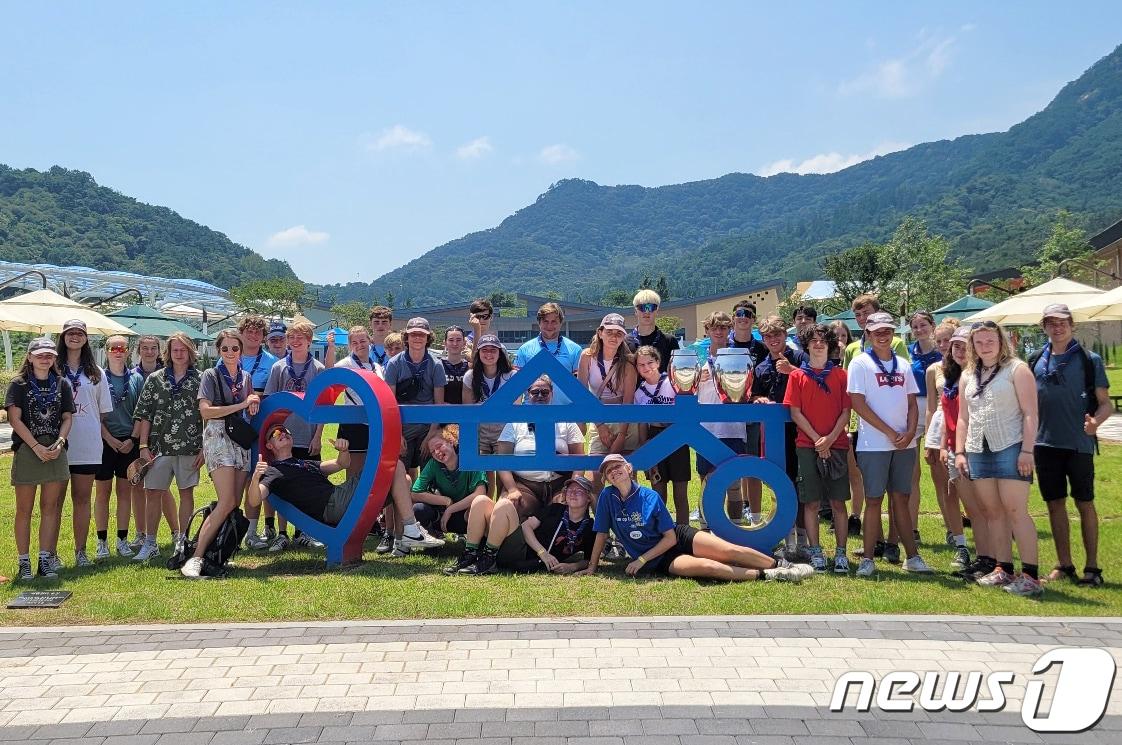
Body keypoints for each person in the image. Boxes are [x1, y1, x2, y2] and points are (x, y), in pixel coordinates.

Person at [578, 455, 813, 581]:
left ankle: (782, 565)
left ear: (629, 468)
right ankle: (768, 575)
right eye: (609, 471)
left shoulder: (649, 496)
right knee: (708, 567)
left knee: (730, 551)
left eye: (617, 466)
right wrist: (592, 566)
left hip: (676, 537)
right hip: (658, 558)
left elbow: (669, 538)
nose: (614, 471)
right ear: (607, 479)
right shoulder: (608, 498)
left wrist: (639, 561)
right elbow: (601, 533)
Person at [247, 424, 443, 556]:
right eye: (276, 434)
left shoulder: (302, 463)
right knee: (395, 466)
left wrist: (343, 450)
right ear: (269, 445)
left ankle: (402, 541)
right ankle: (410, 528)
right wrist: (256, 477)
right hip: (333, 504)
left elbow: (341, 464)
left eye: (286, 431)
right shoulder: (273, 471)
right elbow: (255, 500)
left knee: (405, 479)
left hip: (339, 497)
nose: (283, 434)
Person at [955, 321, 1041, 597]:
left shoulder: (1017, 369)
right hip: (978, 447)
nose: (985, 346)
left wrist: (1027, 450)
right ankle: (1003, 567)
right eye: (979, 342)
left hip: (1010, 444)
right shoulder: (968, 375)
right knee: (992, 512)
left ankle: (1030, 574)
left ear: (1001, 341)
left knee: (1016, 510)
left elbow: (1030, 413)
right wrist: (960, 451)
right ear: (972, 345)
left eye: (990, 341)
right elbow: (962, 417)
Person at [1031, 303, 1111, 587]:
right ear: (1043, 327)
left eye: (1063, 322)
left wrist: (1095, 423)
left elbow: (1105, 404)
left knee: (1085, 503)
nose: (1057, 327)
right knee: (1054, 504)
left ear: (1072, 325)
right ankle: (1064, 564)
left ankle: (1093, 567)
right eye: (1051, 322)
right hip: (1044, 443)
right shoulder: (1036, 358)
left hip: (1079, 444)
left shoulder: (1090, 360)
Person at [847, 312, 932, 577]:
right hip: (873, 444)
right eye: (877, 332)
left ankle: (913, 557)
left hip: (904, 443)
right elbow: (858, 404)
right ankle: (868, 558)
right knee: (873, 500)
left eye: (887, 331)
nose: (883, 335)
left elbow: (912, 403)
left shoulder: (904, 365)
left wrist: (909, 434)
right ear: (869, 335)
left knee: (901, 499)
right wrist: (889, 432)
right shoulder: (860, 364)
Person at [182, 330, 260, 578]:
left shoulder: (246, 377)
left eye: (234, 349)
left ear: (241, 351)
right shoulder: (211, 375)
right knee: (226, 501)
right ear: (219, 351)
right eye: (225, 349)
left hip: (239, 438)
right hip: (218, 437)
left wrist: (254, 400)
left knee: (233, 503)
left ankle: (217, 554)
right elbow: (205, 412)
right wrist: (242, 404)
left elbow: (249, 406)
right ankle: (195, 557)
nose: (230, 353)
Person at [843, 295, 911, 559]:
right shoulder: (852, 349)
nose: (863, 319)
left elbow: (905, 384)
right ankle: (877, 540)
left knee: (896, 491)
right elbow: (851, 392)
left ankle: (894, 543)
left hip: (896, 428)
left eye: (868, 314)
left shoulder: (897, 343)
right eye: (859, 316)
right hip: (863, 426)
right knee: (873, 487)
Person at [783, 323, 851, 573]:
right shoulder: (797, 376)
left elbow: (846, 411)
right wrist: (817, 440)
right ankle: (816, 551)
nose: (819, 344)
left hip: (838, 444)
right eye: (813, 341)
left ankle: (841, 553)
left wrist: (830, 439)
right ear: (807, 345)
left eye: (823, 340)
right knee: (810, 502)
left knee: (838, 502)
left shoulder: (841, 375)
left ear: (830, 344)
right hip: (806, 445)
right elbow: (795, 412)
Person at [133, 332, 204, 562]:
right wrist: (143, 446)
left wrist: (205, 448)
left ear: (190, 352)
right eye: (175, 350)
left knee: (186, 494)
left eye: (183, 350)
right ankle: (150, 542)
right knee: (152, 493)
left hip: (190, 446)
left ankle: (182, 540)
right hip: (159, 447)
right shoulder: (155, 379)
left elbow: (208, 417)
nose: (179, 354)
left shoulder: (201, 379)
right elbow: (145, 414)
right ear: (169, 353)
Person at [7, 338, 74, 580]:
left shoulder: (61, 383)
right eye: (40, 355)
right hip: (28, 448)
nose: (45, 359)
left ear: (55, 358)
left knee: (50, 507)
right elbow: (15, 419)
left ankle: (44, 560)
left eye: (49, 355)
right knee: (24, 509)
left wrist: (60, 442)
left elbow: (68, 417)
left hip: (55, 448)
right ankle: (24, 561)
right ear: (30, 357)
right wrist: (35, 446)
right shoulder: (19, 384)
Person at [445, 474, 597, 576]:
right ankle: (470, 555)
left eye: (579, 491)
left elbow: (588, 559)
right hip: (522, 544)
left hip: (523, 555)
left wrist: (572, 567)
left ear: (589, 498)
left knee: (504, 505)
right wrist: (543, 553)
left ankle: (488, 559)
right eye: (570, 490)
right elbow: (526, 527)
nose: (572, 493)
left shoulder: (590, 526)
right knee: (481, 501)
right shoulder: (556, 509)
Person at [263, 320, 327, 552]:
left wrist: (318, 436)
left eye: (301, 337)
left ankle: (304, 532)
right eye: (292, 337)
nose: (296, 341)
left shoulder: (318, 369)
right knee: (282, 484)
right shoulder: (279, 367)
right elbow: (270, 402)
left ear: (309, 341)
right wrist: (273, 435)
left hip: (308, 437)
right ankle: (281, 533)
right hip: (283, 437)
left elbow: (323, 406)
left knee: (308, 485)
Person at [56, 319, 113, 569]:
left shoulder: (96, 372)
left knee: (82, 499)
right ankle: (50, 553)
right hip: (57, 443)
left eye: (80, 333)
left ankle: (81, 551)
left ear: (86, 338)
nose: (75, 337)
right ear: (63, 336)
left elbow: (102, 412)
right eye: (70, 333)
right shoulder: (53, 367)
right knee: (53, 501)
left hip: (88, 443)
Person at [495, 375, 585, 520]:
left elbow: (579, 459)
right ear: (528, 394)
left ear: (552, 394)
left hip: (559, 483)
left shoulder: (566, 421)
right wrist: (512, 489)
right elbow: (502, 461)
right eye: (535, 392)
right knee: (512, 505)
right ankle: (515, 542)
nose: (540, 396)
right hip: (526, 484)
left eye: (544, 392)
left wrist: (573, 486)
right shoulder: (516, 422)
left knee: (570, 507)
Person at [750, 314, 805, 551]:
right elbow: (751, 395)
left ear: (785, 335)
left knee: (797, 483)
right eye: (768, 336)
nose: (773, 339)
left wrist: (792, 370)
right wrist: (757, 399)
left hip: (799, 431)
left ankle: (801, 537)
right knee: (776, 483)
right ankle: (783, 533)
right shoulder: (761, 366)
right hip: (771, 435)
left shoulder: (800, 357)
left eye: (777, 334)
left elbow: (813, 383)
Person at [94, 335, 143, 560]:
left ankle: (122, 540)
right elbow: (96, 414)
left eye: (122, 347)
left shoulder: (136, 378)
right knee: (102, 492)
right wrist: (110, 439)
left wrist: (132, 440)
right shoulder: (98, 378)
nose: (118, 351)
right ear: (107, 351)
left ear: (128, 351)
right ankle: (101, 541)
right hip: (104, 441)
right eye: (113, 347)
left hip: (128, 442)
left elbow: (141, 414)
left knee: (125, 493)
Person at [695, 311, 746, 528]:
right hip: (706, 429)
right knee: (707, 480)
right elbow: (686, 394)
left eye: (723, 328)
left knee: (734, 481)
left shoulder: (740, 358)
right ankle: (707, 527)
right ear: (707, 331)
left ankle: (735, 526)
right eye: (714, 328)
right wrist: (696, 380)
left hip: (733, 428)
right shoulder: (697, 361)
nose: (718, 332)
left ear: (729, 330)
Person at [939, 327, 982, 575]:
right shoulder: (951, 376)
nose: (960, 351)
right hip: (955, 446)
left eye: (965, 346)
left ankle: (985, 554)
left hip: (974, 448)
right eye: (956, 346)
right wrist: (944, 444)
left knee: (976, 505)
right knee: (952, 493)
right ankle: (962, 546)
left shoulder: (979, 376)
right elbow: (946, 414)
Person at [578, 313, 638, 489]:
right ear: (600, 332)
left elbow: (628, 401)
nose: (614, 337)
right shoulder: (587, 357)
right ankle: (601, 515)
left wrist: (621, 435)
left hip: (624, 421)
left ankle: (630, 513)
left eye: (619, 333)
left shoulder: (628, 362)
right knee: (596, 475)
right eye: (609, 331)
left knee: (628, 475)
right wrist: (600, 425)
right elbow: (582, 395)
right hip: (598, 416)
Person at [634, 345, 691, 525]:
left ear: (658, 362)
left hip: (677, 437)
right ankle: (660, 531)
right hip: (654, 437)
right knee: (658, 489)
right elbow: (642, 423)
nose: (646, 367)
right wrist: (645, 447)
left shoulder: (673, 383)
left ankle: (683, 531)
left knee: (680, 491)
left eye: (650, 362)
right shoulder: (639, 393)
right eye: (641, 364)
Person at [383, 317, 447, 475]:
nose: (417, 338)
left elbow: (438, 404)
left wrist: (431, 434)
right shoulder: (394, 364)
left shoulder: (436, 364)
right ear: (406, 337)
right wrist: (396, 434)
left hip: (427, 427)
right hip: (402, 426)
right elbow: (390, 403)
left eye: (422, 334)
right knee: (399, 473)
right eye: (413, 334)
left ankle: (427, 499)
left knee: (429, 473)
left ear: (428, 338)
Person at [924, 321, 962, 555]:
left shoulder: (969, 367)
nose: (942, 345)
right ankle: (951, 528)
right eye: (938, 341)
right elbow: (930, 407)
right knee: (943, 485)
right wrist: (930, 439)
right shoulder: (933, 370)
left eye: (946, 340)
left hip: (960, 424)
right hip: (939, 425)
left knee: (963, 485)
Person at [410, 425, 488, 539]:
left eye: (439, 446)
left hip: (466, 516)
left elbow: (480, 493)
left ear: (451, 442)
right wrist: (445, 501)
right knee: (418, 509)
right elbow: (415, 493)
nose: (437, 452)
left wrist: (451, 509)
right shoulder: (433, 464)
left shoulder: (470, 461)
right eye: (432, 451)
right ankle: (433, 539)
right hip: (442, 515)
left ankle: (474, 546)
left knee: (479, 508)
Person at [462, 334, 514, 497]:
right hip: (480, 428)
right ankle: (486, 507)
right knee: (484, 472)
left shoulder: (510, 376)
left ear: (500, 353)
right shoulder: (470, 376)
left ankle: (501, 508)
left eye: (493, 350)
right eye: (485, 350)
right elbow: (467, 408)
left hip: (504, 427)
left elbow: (516, 407)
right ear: (478, 353)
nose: (489, 354)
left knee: (504, 469)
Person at [907, 311, 942, 543]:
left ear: (932, 325)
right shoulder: (908, 353)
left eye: (923, 325)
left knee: (939, 472)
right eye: (915, 326)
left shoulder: (942, 352)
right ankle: (912, 529)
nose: (920, 330)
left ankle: (952, 528)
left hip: (937, 410)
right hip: (912, 410)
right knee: (912, 475)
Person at [514, 302, 582, 405]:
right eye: (545, 321)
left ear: (561, 323)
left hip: (565, 413)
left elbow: (579, 388)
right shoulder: (524, 350)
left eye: (554, 321)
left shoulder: (575, 349)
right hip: (533, 414)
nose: (549, 325)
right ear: (539, 323)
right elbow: (517, 388)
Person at [623, 290, 679, 373]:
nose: (647, 312)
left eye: (651, 307)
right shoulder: (625, 341)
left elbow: (677, 371)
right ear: (635, 311)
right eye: (642, 307)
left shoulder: (670, 341)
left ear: (657, 310)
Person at [441, 326, 470, 404]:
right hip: (443, 412)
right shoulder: (438, 366)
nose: (455, 343)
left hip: (464, 413)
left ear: (464, 343)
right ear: (445, 343)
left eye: (458, 340)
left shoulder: (470, 367)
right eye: (451, 340)